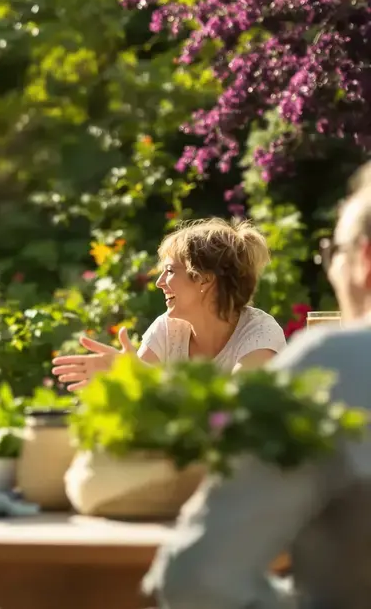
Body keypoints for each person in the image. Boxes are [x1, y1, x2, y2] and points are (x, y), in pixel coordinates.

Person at [143, 169, 371, 608]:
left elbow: (199, 579)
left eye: (333, 251)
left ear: (364, 260)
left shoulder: (331, 366)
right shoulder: (167, 329)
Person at [52, 218, 286, 389]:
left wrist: (143, 376)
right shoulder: (167, 328)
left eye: (170, 271)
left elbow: (232, 413)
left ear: (204, 278)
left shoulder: (260, 334)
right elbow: (143, 406)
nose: (159, 283)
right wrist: (121, 382)